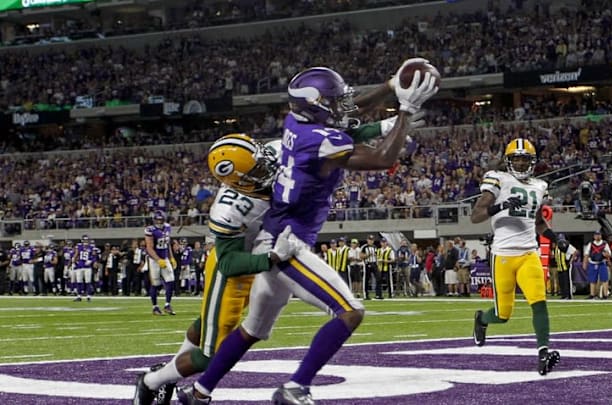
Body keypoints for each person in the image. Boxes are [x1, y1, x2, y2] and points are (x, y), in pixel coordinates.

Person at [177, 60, 438, 404]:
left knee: (251, 330)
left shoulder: (295, 121)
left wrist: (389, 86)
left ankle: (198, 391)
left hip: (278, 232)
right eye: (334, 100)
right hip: (288, 242)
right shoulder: (318, 139)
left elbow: (348, 112)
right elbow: (381, 159)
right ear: (316, 105)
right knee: (350, 311)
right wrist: (403, 112)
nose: (342, 104)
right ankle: (296, 386)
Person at [133, 135, 297, 405]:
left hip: (255, 265)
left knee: (206, 325)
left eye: (262, 162)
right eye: (256, 171)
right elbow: (228, 263)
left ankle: (167, 376)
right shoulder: (228, 210)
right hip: (231, 271)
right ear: (238, 181)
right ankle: (151, 381)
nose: (266, 170)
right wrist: (271, 258)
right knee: (213, 354)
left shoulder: (274, 152)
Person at [470, 137, 562, 376]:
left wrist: (556, 238)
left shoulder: (540, 186)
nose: (521, 164)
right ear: (508, 161)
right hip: (503, 255)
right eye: (517, 159)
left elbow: (539, 223)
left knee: (539, 301)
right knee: (503, 315)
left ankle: (543, 353)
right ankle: (482, 319)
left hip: (528, 252)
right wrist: (500, 206)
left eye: (525, 159)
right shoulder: (498, 179)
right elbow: (476, 215)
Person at [144, 210, 178, 315]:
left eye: (161, 219)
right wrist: (158, 260)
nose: (159, 221)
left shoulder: (167, 227)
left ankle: (167, 305)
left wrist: (171, 257)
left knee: (171, 280)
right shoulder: (150, 230)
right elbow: (149, 248)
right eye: (158, 219)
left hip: (165, 257)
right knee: (156, 283)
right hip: (154, 260)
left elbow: (167, 244)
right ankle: (155, 307)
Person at [583, 230, 612, 299]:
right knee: (592, 280)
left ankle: (605, 295)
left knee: (604, 279)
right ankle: (592, 294)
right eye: (596, 235)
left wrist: (606, 255)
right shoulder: (591, 244)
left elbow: (609, 254)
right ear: (594, 236)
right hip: (593, 263)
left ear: (601, 236)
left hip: (602, 263)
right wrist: (584, 263)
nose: (597, 236)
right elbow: (586, 254)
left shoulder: (605, 244)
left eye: (598, 235)